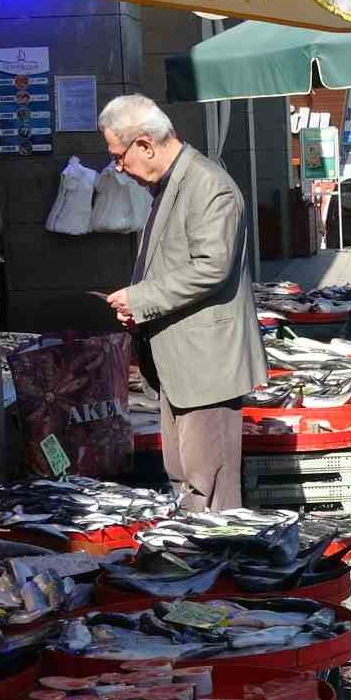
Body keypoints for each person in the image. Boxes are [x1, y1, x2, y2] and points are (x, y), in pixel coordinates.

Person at [101, 94, 265, 511]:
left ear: (144, 144)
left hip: (206, 365)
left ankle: (217, 564)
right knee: (187, 478)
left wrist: (140, 299)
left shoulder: (207, 184)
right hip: (180, 363)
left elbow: (213, 267)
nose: (119, 167)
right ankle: (199, 562)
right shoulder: (170, 184)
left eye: (119, 155)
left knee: (209, 486)